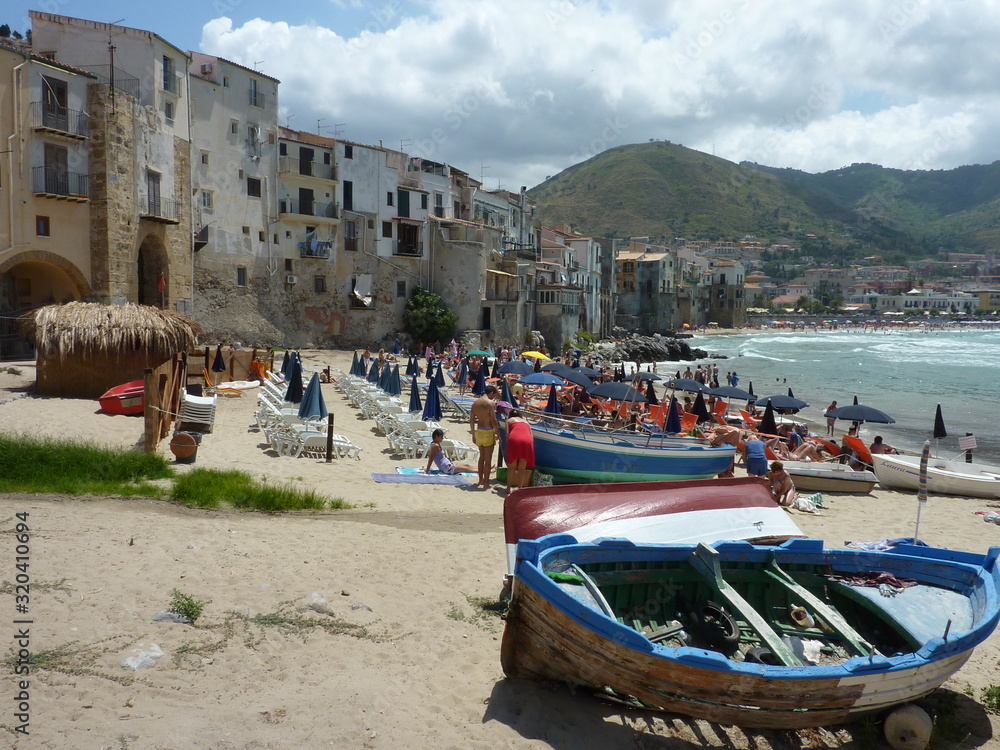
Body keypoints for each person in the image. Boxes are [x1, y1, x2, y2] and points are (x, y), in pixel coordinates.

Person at [470, 384, 500, 488]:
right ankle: (486, 483)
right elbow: (493, 420)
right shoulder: (490, 403)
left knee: (481, 457)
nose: (494, 397)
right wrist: (498, 434)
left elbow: (472, 420)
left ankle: (480, 480)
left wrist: (473, 434)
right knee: (488, 459)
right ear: (491, 393)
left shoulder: (475, 403)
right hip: (487, 431)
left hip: (479, 431)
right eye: (494, 395)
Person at [504, 409, 535, 491]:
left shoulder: (509, 420)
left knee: (512, 467)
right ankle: (520, 488)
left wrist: (509, 447)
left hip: (514, 439)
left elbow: (507, 435)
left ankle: (508, 488)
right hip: (528, 441)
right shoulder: (526, 422)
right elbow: (531, 436)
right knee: (522, 468)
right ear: (520, 416)